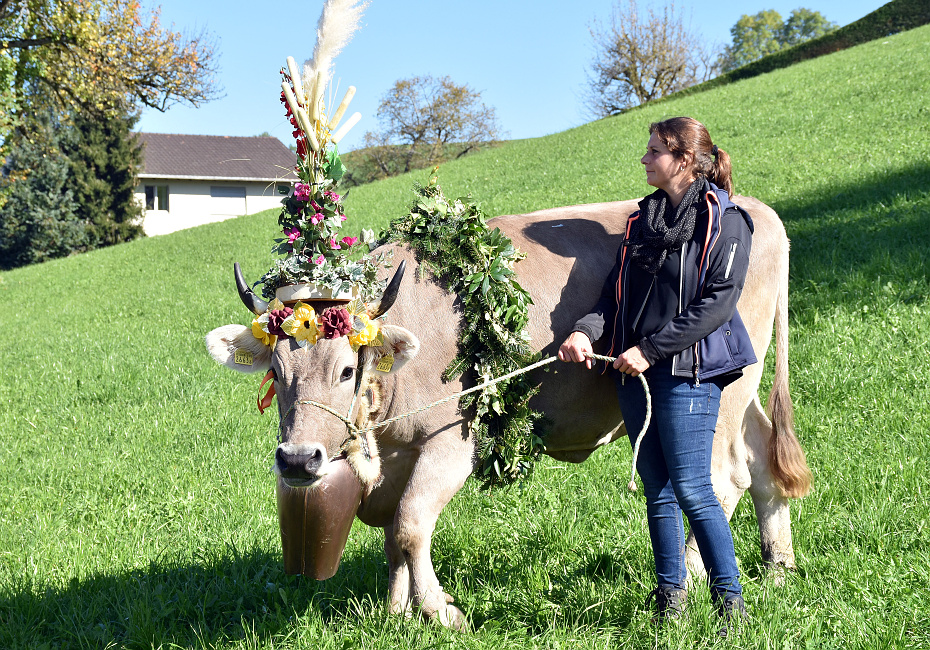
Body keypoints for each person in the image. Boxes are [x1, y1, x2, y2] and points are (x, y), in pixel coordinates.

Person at [558, 117, 756, 631]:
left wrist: (649, 349)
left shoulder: (726, 222)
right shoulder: (641, 221)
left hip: (687, 373)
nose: (644, 160)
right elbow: (612, 295)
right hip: (633, 375)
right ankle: (670, 597)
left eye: (653, 152)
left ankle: (730, 604)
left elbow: (717, 304)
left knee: (692, 488)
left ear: (683, 160)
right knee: (658, 489)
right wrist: (585, 332)